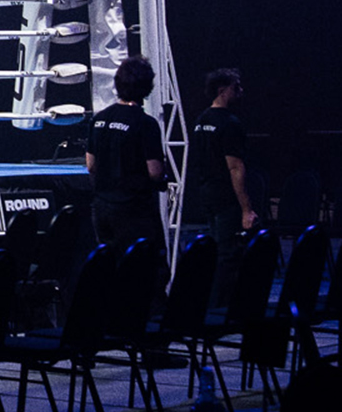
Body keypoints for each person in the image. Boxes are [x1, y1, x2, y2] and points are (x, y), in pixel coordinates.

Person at [84, 57, 168, 256]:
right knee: (141, 265)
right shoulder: (145, 123)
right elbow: (155, 171)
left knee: (110, 263)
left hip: (102, 206)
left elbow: (90, 165)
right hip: (133, 208)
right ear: (147, 86)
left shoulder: (99, 119)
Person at [188, 68, 256, 306]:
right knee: (228, 254)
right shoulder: (229, 124)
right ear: (223, 90)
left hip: (207, 193)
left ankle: (213, 303)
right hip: (226, 197)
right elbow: (235, 167)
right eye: (236, 87)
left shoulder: (201, 121)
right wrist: (246, 208)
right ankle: (220, 307)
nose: (241, 91)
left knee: (217, 250)